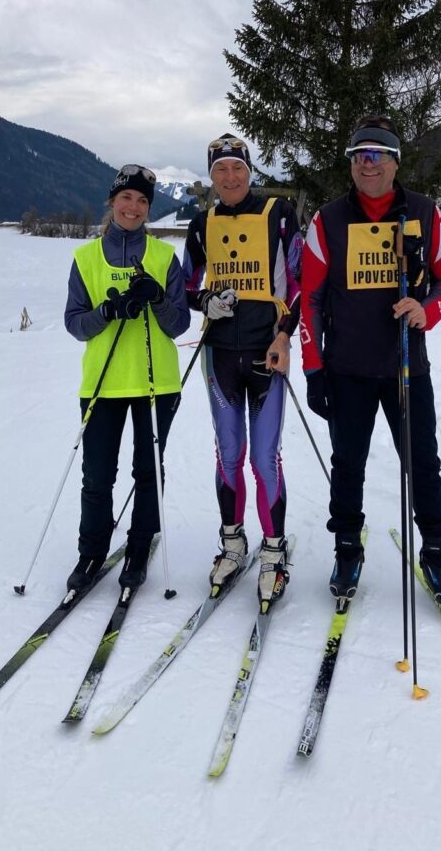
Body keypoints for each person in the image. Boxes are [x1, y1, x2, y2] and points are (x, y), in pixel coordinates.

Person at [300, 115, 441, 607]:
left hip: (406, 367)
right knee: (347, 466)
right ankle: (347, 548)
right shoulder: (326, 221)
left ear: (395, 162)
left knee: (422, 464)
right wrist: (313, 368)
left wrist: (425, 308)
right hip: (347, 370)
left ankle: (436, 553)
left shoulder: (425, 213)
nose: (367, 165)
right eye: (358, 157)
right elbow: (308, 298)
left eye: (377, 156)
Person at [182, 133, 303, 612]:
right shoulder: (201, 222)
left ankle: (273, 550)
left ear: (249, 171)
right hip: (220, 354)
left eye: (237, 168)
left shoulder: (277, 212)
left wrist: (284, 334)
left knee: (263, 458)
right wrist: (204, 300)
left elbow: (299, 282)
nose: (229, 177)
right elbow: (186, 286)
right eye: (220, 170)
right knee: (228, 454)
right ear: (211, 177)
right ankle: (233, 544)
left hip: (264, 353)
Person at [64, 165, 190, 593]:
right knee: (97, 475)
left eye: (141, 201)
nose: (133, 208)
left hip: (157, 384)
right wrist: (108, 312)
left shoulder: (163, 256)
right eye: (126, 199)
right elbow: (74, 323)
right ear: (112, 202)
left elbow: (178, 326)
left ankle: (138, 549)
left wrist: (157, 298)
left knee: (148, 472)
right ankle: (91, 552)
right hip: (103, 383)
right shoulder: (85, 258)